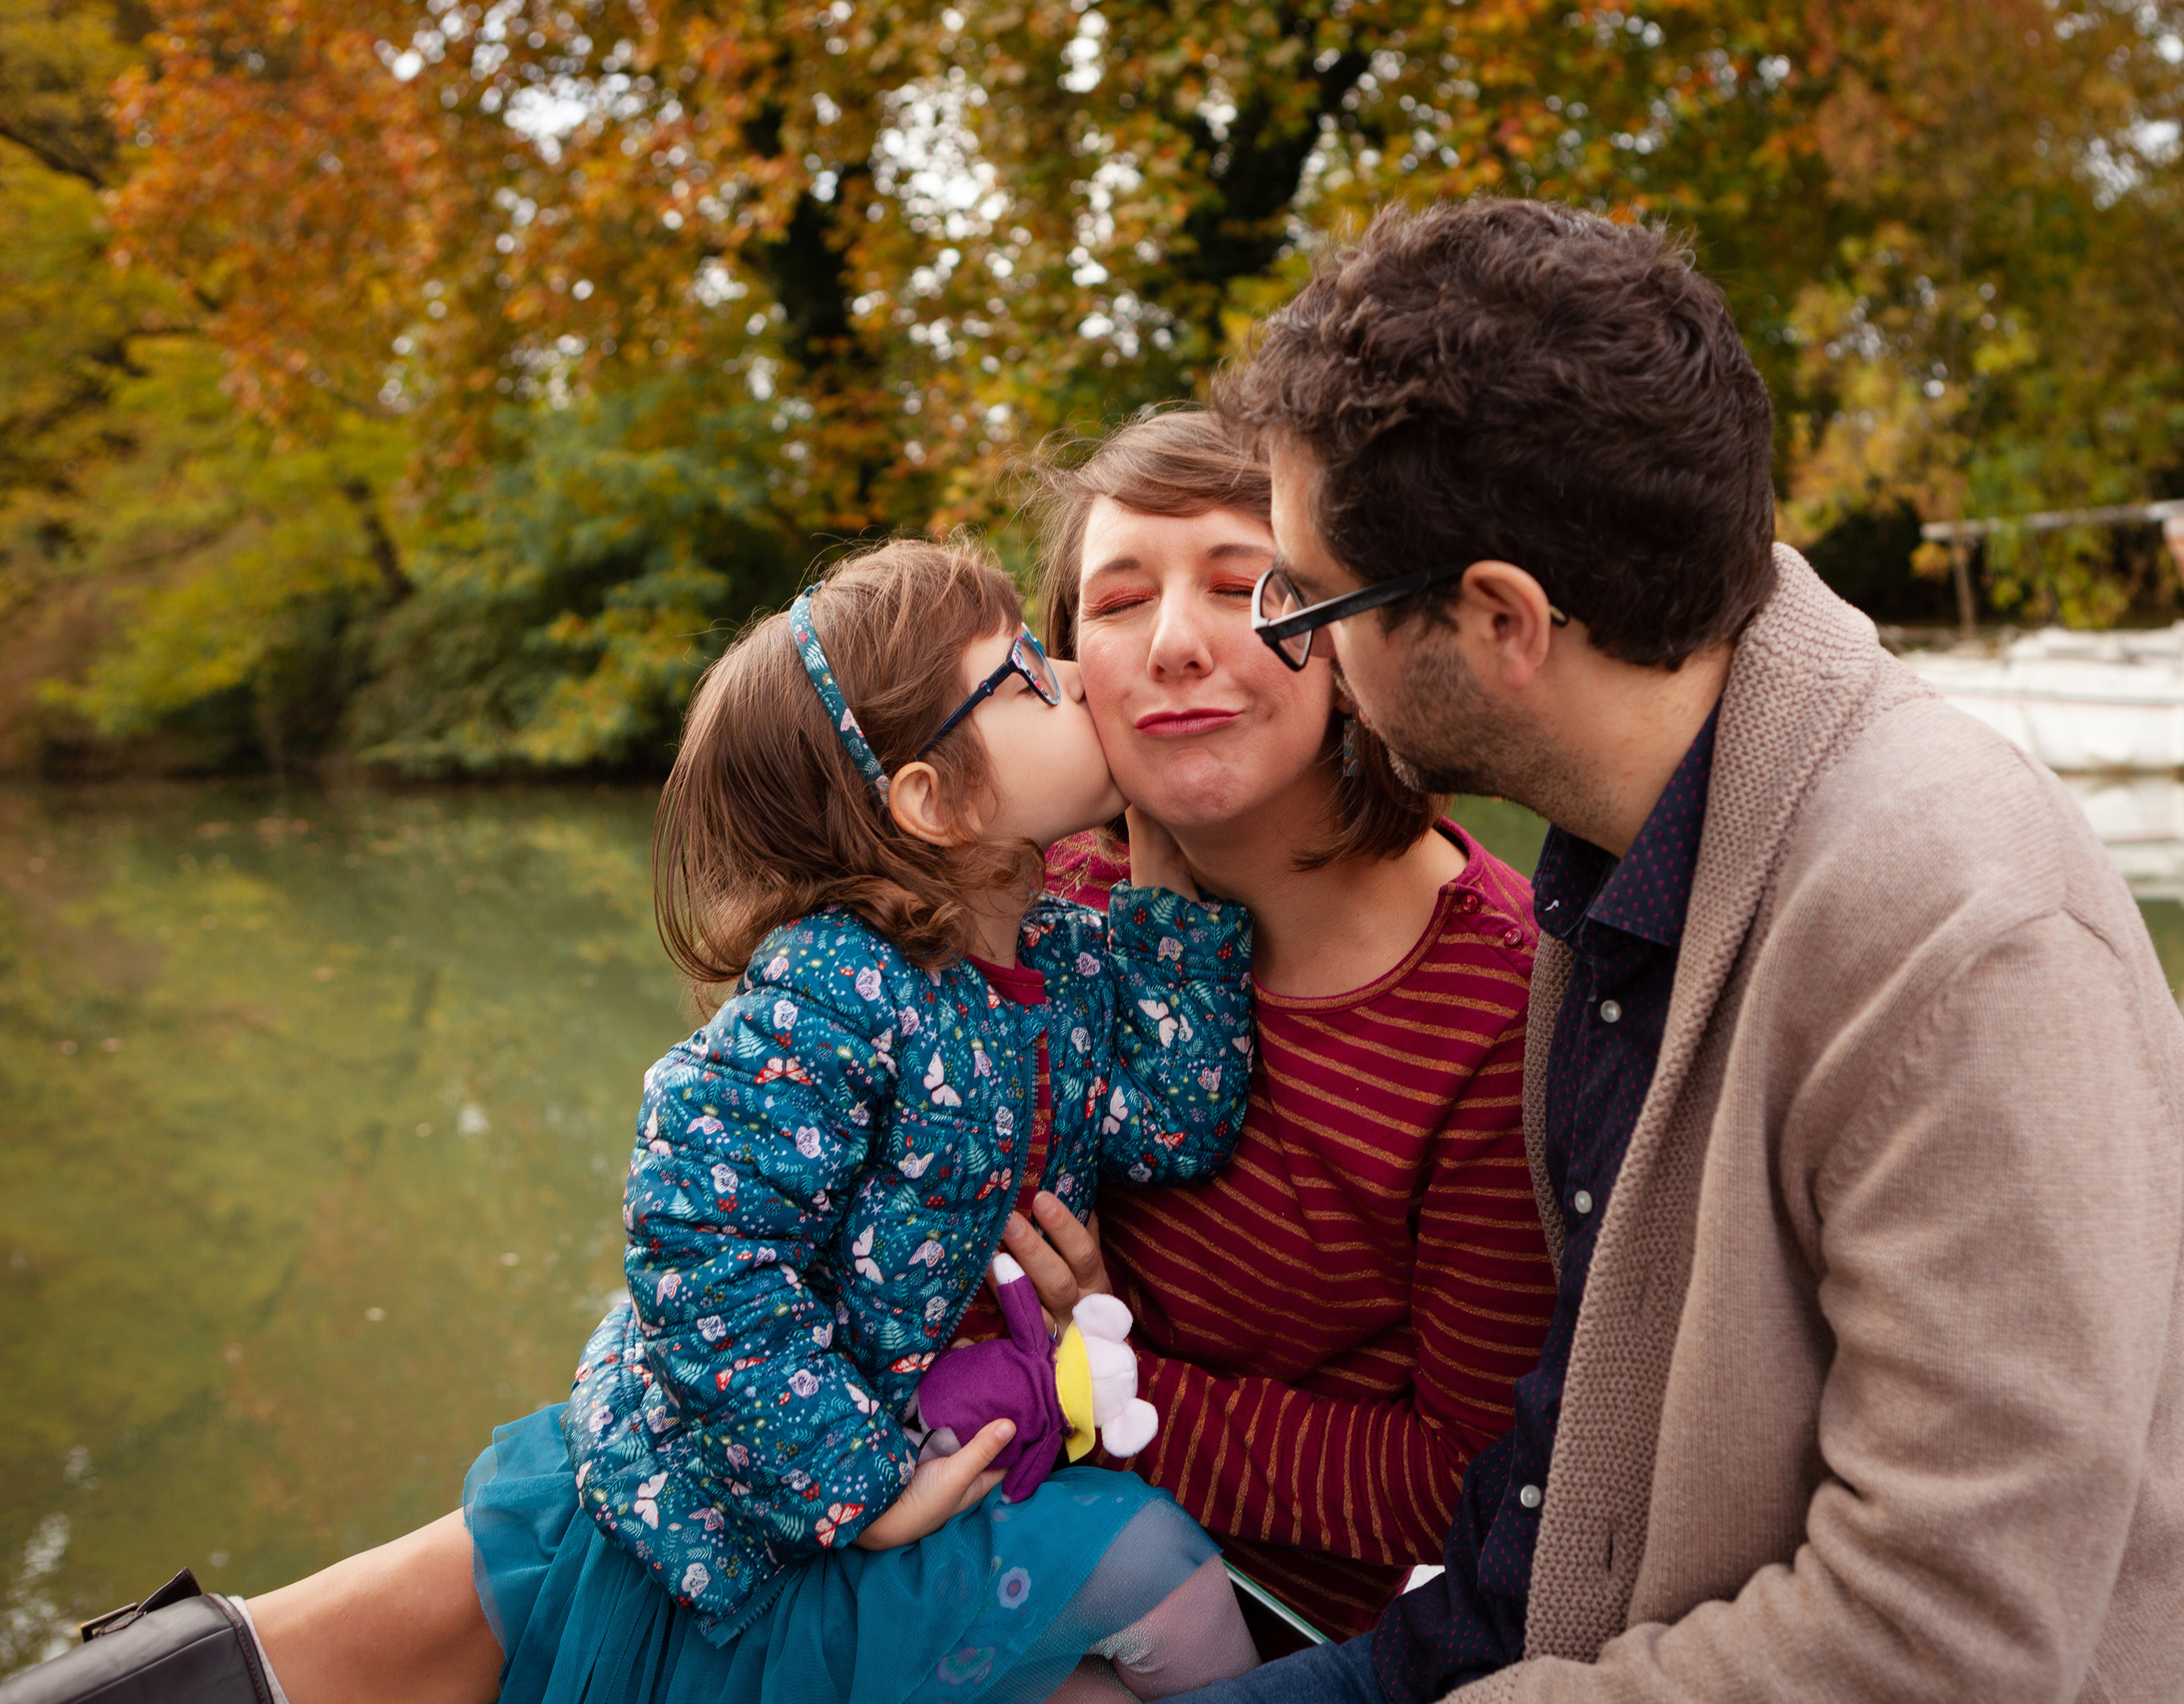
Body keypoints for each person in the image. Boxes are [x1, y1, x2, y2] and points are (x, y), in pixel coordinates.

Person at [1184, 197, 2184, 1703]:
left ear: (1500, 622)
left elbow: (1951, 1641)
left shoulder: (1964, 935)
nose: (1300, 648)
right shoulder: (1631, 844)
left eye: (1315, 599)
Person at [7, 540, 1268, 1704]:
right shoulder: (834, 991)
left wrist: (1169, 882)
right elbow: (699, 1251)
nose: (1070, 682)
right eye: (1022, 678)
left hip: (917, 1436)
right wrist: (862, 1492)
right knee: (1154, 1560)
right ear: (934, 802)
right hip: (761, 1499)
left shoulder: (1068, 951)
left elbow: (1176, 1122)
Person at [993, 409, 1559, 1641]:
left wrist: (1099, 1379)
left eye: (1248, 587)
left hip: (1256, 1630)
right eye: (1120, 600)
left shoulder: (1500, 1007)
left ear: (1344, 635)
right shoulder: (1048, 910)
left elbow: (1458, 1480)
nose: (1178, 644)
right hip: (980, 1513)